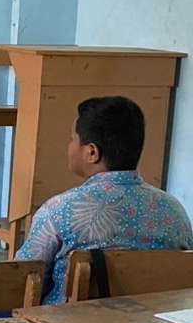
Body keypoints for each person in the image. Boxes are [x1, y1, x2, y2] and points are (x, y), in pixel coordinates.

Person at [16, 96, 192, 304]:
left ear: (92, 152)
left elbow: (20, 282)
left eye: (72, 139)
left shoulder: (59, 210)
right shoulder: (174, 210)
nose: (69, 146)